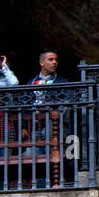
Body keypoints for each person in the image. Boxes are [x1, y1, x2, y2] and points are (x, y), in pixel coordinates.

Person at [26, 49, 68, 187]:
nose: (54, 62)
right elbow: (23, 106)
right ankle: (39, 186)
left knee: (53, 153)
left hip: (54, 126)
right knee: (32, 155)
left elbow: (67, 105)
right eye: (50, 59)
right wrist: (23, 127)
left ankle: (56, 182)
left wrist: (50, 108)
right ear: (41, 62)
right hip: (34, 126)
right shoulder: (31, 83)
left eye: (56, 59)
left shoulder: (62, 82)